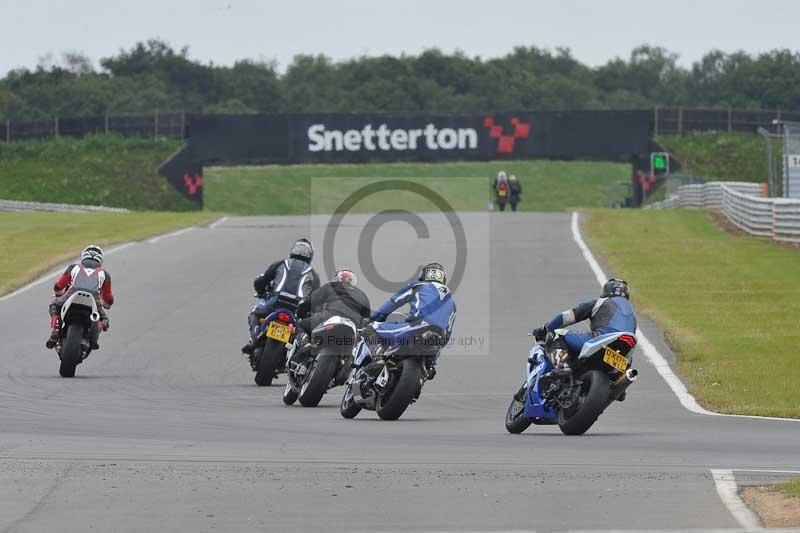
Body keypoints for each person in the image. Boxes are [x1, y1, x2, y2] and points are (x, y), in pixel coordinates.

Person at [367, 262, 457, 378]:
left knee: (370, 328)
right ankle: (424, 373)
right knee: (427, 371)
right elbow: (448, 333)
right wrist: (433, 363)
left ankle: (377, 358)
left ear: (424, 275)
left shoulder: (418, 286)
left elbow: (394, 302)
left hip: (417, 326)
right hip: (437, 339)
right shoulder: (452, 303)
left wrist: (375, 318)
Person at [531, 279, 636, 370]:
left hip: (601, 340)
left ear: (606, 291)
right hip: (624, 354)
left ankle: (558, 368)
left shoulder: (601, 302)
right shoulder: (632, 315)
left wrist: (545, 329)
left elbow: (567, 317)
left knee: (558, 334)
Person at [241, 238, 321, 355]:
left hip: (276, 302)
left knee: (255, 313)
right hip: (296, 308)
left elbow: (260, 281)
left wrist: (262, 293)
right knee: (303, 327)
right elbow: (316, 298)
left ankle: (254, 338)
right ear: (310, 256)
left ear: (293, 251)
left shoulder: (281, 263)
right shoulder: (313, 274)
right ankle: (299, 344)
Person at [46, 245, 113, 350]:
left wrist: (59, 294)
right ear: (100, 259)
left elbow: (58, 286)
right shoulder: (105, 274)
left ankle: (56, 329)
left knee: (54, 305)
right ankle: (94, 337)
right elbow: (108, 298)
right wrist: (107, 304)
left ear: (83, 256)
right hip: (94, 299)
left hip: (72, 294)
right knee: (104, 320)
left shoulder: (73, 267)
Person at [296, 269, 371, 335]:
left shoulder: (332, 286)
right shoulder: (362, 295)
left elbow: (311, 301)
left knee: (301, 325)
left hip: (332, 315)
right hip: (353, 325)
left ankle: (301, 346)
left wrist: (300, 313)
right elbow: (366, 318)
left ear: (337, 278)